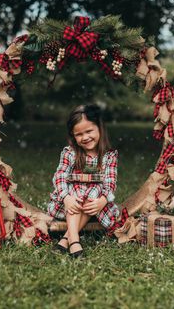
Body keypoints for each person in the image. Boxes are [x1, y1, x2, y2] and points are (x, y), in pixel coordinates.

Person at [47, 104, 120, 257]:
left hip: (94, 206)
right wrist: (66, 198)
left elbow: (110, 182)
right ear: (73, 136)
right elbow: (60, 175)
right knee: (77, 190)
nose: (85, 137)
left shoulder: (109, 155)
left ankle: (65, 240)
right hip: (71, 203)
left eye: (89, 131)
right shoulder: (70, 152)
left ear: (99, 128)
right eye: (79, 134)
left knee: (94, 190)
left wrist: (103, 200)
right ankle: (74, 240)